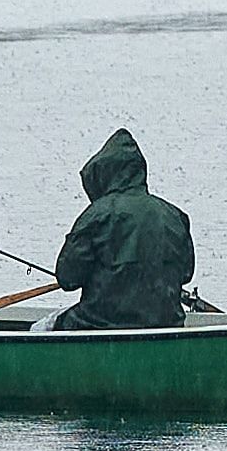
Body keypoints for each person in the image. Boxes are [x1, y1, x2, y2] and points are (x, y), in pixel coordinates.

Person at [48, 126, 195, 328]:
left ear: (103, 175)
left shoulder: (96, 216)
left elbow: (67, 278)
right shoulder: (174, 215)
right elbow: (186, 273)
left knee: (40, 329)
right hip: (165, 325)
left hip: (97, 325)